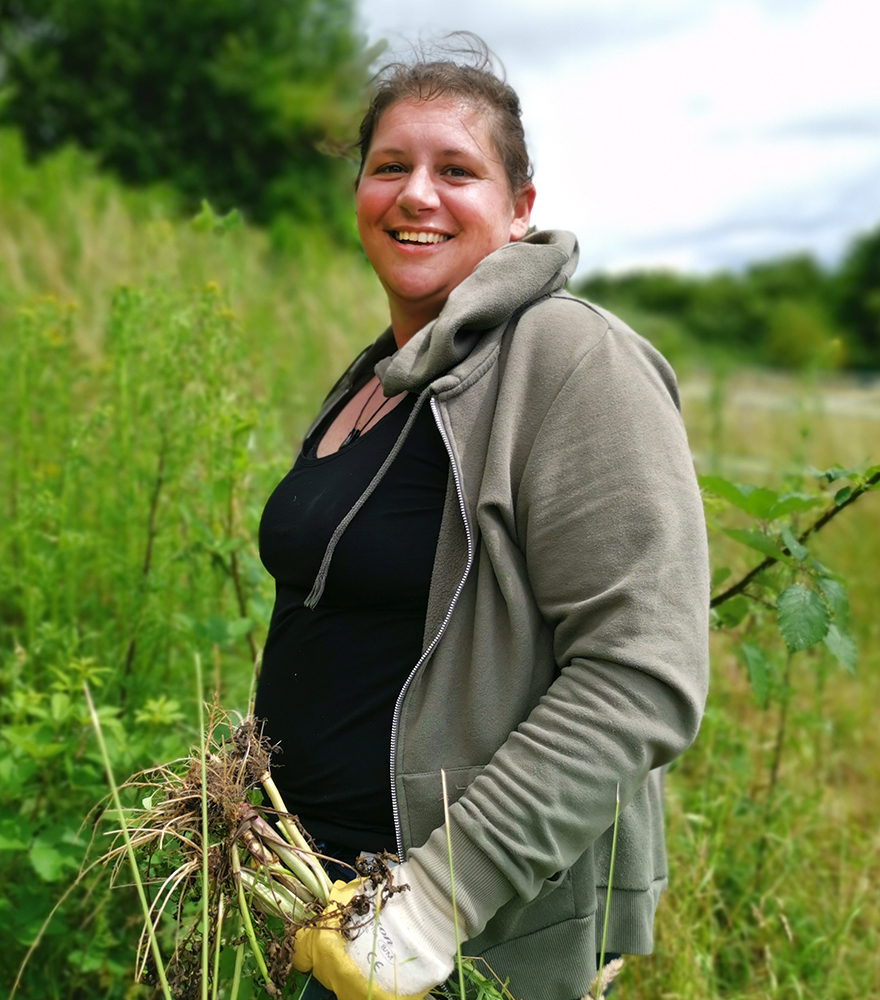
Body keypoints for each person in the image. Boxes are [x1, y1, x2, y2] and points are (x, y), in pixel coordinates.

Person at [255, 36, 709, 1000]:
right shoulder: (385, 374)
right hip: (313, 895)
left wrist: (433, 902)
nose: (417, 194)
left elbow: (643, 672)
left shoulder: (569, 360)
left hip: (455, 939)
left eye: (456, 170)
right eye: (390, 167)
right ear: (360, 198)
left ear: (520, 211)